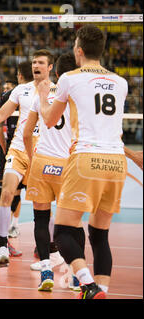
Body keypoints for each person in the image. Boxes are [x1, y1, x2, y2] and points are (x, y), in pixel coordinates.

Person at [37, 25, 128, 299]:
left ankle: (87, 285)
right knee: (100, 236)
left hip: (86, 158)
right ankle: (101, 291)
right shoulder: (121, 82)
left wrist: (43, 97)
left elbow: (51, 120)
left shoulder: (69, 78)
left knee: (64, 230)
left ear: (78, 51)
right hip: (116, 161)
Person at [0, 50, 54, 268]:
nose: (36, 65)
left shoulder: (57, 91)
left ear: (50, 67)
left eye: (41, 62)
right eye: (34, 62)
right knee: (6, 193)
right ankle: (1, 245)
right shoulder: (21, 90)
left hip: (44, 152)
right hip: (18, 150)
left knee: (43, 206)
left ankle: (49, 251)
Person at [23, 52, 77, 292]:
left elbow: (26, 134)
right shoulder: (78, 96)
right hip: (67, 164)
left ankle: (46, 269)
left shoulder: (41, 95)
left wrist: (33, 160)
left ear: (55, 73)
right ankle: (75, 276)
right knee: (71, 225)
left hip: (42, 162)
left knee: (41, 220)